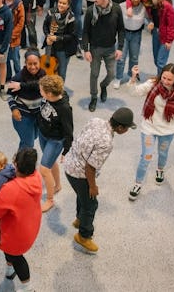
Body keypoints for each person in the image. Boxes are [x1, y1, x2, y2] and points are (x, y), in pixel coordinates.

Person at [127, 64, 174, 201]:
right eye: (164, 77)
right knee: (146, 157)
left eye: (169, 79)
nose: (165, 81)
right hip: (149, 128)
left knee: (163, 153)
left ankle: (160, 170)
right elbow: (134, 92)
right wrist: (133, 77)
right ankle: (137, 184)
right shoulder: (152, 84)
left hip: (168, 130)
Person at [64, 108, 135, 252]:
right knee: (91, 205)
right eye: (127, 128)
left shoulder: (96, 120)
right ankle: (84, 236)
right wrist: (93, 187)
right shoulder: (107, 142)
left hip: (69, 164)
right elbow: (90, 168)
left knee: (82, 196)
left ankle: (79, 219)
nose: (127, 130)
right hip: (79, 173)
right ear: (120, 127)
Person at [0, 148, 41, 292]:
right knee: (10, 253)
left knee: (16, 257)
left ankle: (27, 287)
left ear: (16, 165)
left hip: (13, 234)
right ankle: (9, 270)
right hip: (29, 225)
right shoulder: (36, 177)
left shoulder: (11, 189)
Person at [82, 0, 124, 111]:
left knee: (111, 74)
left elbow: (121, 29)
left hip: (110, 48)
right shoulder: (90, 11)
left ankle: (103, 86)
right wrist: (86, 50)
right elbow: (85, 32)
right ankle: (94, 97)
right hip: (95, 48)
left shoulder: (116, 9)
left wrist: (120, 47)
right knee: (94, 74)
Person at [37, 75, 73, 212]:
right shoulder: (50, 97)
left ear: (50, 94)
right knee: (50, 164)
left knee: (44, 169)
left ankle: (50, 200)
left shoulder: (64, 109)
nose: (40, 93)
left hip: (56, 140)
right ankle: (57, 185)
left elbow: (69, 131)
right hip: (43, 134)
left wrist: (66, 151)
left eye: (41, 91)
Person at [7, 49, 46, 150]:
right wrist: (14, 109)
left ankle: (18, 160)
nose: (33, 67)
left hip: (38, 115)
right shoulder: (18, 77)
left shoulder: (43, 74)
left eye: (35, 63)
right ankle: (22, 164)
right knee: (28, 144)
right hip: (23, 116)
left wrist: (22, 86)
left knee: (32, 138)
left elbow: (39, 84)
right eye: (30, 64)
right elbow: (9, 95)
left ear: (40, 62)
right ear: (25, 63)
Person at [115, 0, 146, 88]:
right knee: (121, 57)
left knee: (134, 57)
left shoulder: (144, 7)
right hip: (123, 34)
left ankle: (131, 76)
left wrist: (149, 23)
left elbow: (149, 18)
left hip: (136, 35)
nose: (136, 0)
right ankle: (118, 77)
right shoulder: (122, 6)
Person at [43, 0, 77, 81]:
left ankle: (59, 91)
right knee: (48, 69)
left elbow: (72, 35)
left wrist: (57, 38)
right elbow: (45, 26)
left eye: (64, 3)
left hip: (64, 48)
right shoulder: (50, 12)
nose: (61, 5)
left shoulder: (71, 17)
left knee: (61, 72)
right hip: (51, 45)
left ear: (68, 5)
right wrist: (47, 36)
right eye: (60, 2)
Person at [144, 0, 174, 75]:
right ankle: (160, 77)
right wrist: (150, 22)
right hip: (155, 33)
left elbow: (171, 25)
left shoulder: (167, 6)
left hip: (165, 36)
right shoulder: (149, 3)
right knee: (156, 60)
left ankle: (161, 83)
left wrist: (169, 41)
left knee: (160, 62)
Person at [1, 0, 24, 82]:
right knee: (5, 60)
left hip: (14, 39)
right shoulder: (1, 3)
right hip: (3, 38)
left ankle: (19, 77)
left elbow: (20, 23)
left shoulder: (18, 4)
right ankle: (8, 76)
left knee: (15, 59)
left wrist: (11, 36)